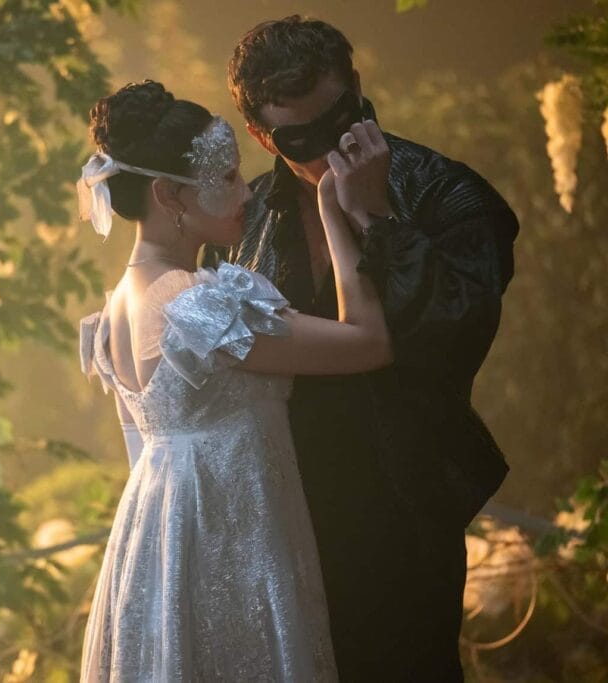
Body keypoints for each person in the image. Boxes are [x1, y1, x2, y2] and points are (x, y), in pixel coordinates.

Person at [216, 15, 520, 681]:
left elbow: (456, 332)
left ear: (356, 88)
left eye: (340, 119)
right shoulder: (246, 216)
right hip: (285, 503)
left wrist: (378, 218)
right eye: (300, 137)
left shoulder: (448, 193)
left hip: (402, 499)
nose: (328, 149)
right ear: (261, 135)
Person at [76, 79, 392, 682]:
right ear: (170, 195)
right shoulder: (196, 304)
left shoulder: (118, 304)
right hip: (231, 541)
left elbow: (140, 450)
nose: (244, 192)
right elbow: (369, 344)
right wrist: (335, 208)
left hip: (160, 541)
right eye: (224, 179)